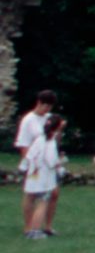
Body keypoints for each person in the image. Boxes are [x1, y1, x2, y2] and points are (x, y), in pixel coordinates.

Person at [15, 90, 55, 239]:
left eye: (50, 107)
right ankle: (28, 227)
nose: (47, 110)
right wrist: (30, 164)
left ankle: (47, 226)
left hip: (48, 163)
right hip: (34, 163)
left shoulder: (49, 118)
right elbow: (23, 145)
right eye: (45, 106)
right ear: (39, 103)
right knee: (31, 195)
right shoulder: (28, 120)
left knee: (53, 193)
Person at [21, 115, 65, 241]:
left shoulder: (39, 139)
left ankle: (30, 228)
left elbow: (29, 155)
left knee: (31, 198)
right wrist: (59, 166)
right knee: (43, 202)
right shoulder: (50, 142)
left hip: (33, 175)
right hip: (44, 178)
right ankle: (35, 231)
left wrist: (25, 168)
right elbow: (51, 160)